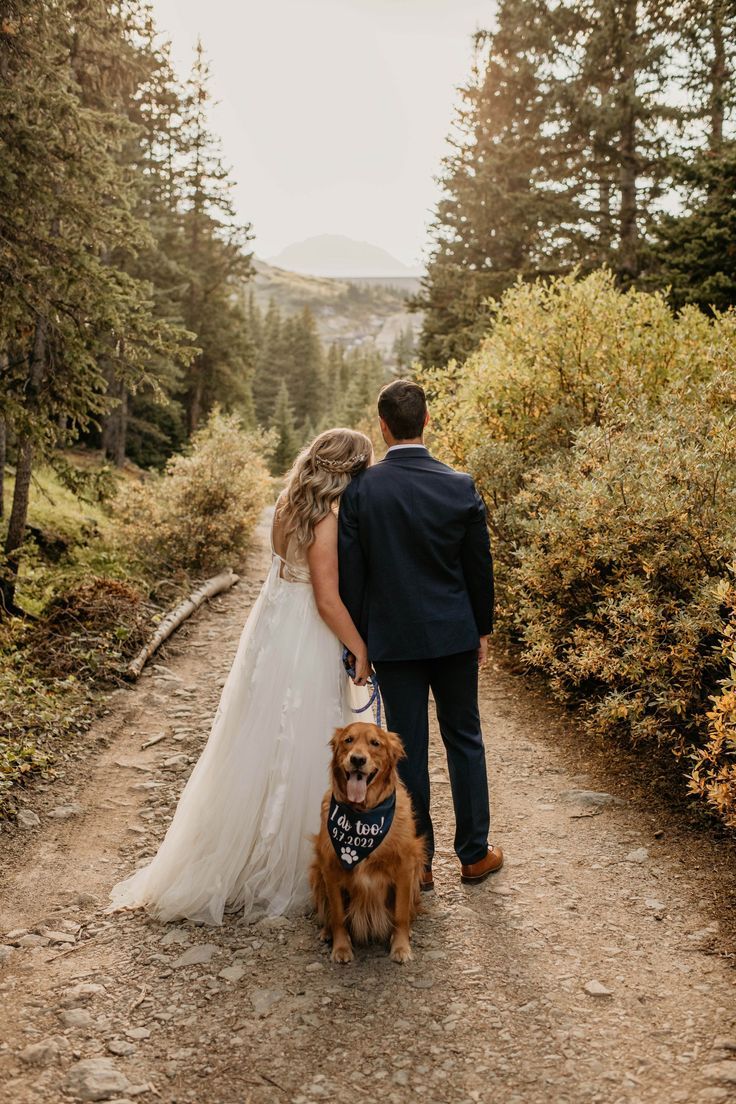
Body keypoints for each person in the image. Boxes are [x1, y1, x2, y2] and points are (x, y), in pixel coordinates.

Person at [108, 428, 372, 925]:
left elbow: (279, 572)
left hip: (272, 626)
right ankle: (289, 864)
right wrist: (359, 647)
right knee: (303, 735)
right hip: (305, 634)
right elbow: (325, 598)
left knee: (259, 733)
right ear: (345, 471)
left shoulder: (287, 503)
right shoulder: (326, 518)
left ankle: (244, 838)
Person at [338, 379, 502, 890]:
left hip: (394, 641)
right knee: (465, 739)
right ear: (426, 421)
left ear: (382, 426)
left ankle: (420, 862)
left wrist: (360, 644)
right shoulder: (460, 485)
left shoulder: (363, 489)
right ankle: (474, 855)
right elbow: (479, 567)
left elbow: (353, 577)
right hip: (453, 635)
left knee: (405, 748)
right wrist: (481, 628)